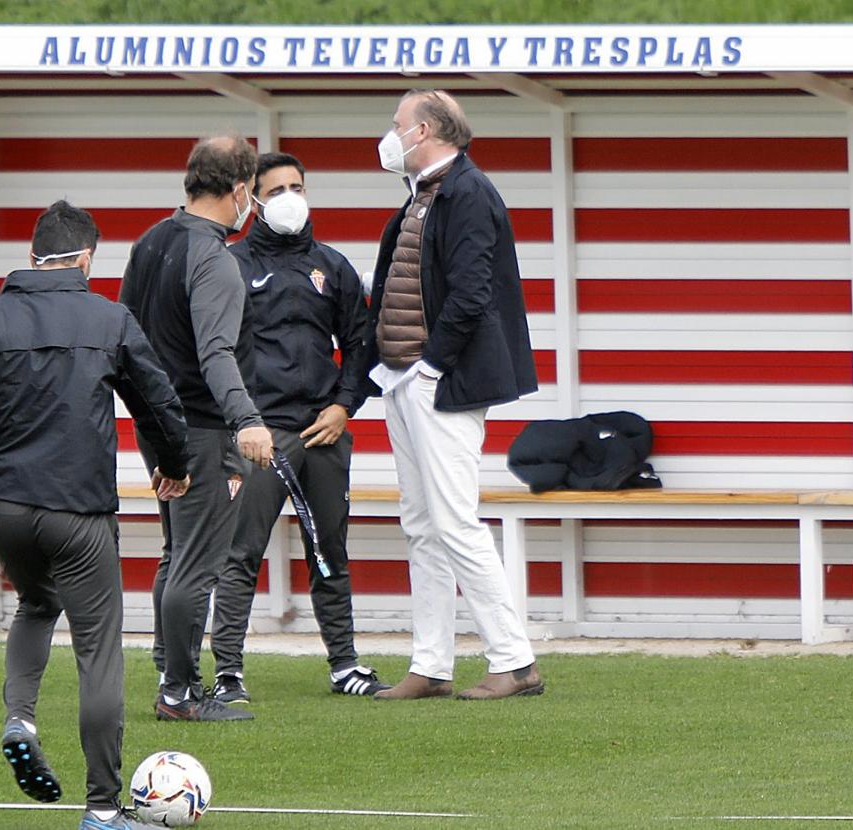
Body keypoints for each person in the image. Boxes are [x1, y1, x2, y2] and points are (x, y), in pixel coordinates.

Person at [0, 200, 192, 830]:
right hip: (80, 514)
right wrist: (174, 465)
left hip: (4, 511)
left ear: (31, 256)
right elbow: (160, 403)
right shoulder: (110, 318)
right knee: (98, 650)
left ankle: (20, 717)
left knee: (37, 605)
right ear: (87, 258)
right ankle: (100, 807)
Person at [363, 90, 545, 701]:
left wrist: (432, 367)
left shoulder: (468, 192)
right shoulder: (422, 193)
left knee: (454, 521)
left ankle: (514, 661)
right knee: (420, 523)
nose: (389, 137)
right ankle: (431, 663)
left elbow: (471, 292)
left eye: (396, 126)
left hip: (439, 382)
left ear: (425, 131)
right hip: (403, 378)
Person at [208, 151, 391, 704]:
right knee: (242, 553)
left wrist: (343, 407)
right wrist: (244, 422)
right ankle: (229, 674)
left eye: (298, 186)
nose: (290, 197)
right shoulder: (231, 265)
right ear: (254, 199)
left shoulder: (332, 266)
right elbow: (213, 350)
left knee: (329, 548)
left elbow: (360, 344)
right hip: (260, 435)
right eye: (278, 188)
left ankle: (344, 665)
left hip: (323, 431)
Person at [120, 134, 274, 722]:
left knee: (175, 553)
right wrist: (249, 420)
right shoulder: (215, 260)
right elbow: (216, 355)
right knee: (197, 561)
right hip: (203, 432)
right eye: (252, 193)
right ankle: (179, 693)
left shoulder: (150, 241)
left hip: (156, 426)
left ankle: (169, 673)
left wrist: (148, 423)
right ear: (239, 189)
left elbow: (125, 341)